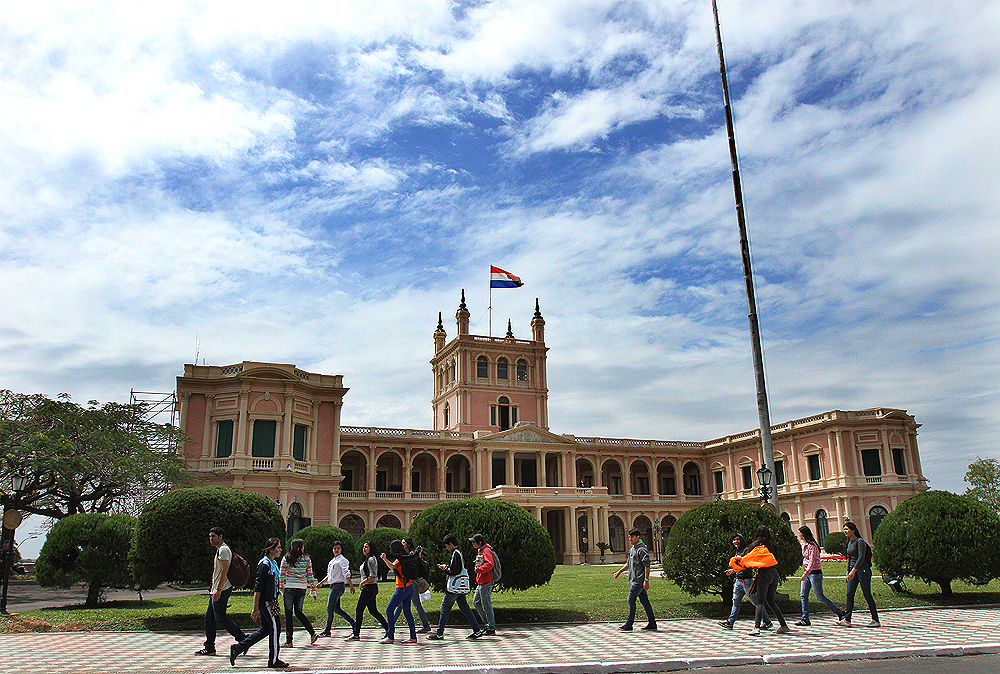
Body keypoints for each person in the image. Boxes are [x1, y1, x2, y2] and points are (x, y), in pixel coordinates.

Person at [231, 538, 287, 669]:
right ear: (271, 549)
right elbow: (258, 587)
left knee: (265, 629)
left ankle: (238, 648)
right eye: (278, 548)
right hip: (265, 601)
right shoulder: (265, 564)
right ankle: (273, 660)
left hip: (272, 600)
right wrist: (255, 607)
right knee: (275, 628)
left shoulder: (273, 563)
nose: (280, 550)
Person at [196, 527, 247, 656]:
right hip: (216, 589)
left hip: (222, 589)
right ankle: (209, 647)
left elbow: (225, 570)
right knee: (209, 618)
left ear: (221, 537)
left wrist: (218, 589)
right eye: (210, 536)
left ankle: (243, 639)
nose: (211, 539)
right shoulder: (220, 550)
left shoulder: (224, 550)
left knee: (220, 618)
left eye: (213, 536)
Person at [730, 525, 789, 636]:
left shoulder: (755, 545)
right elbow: (776, 559)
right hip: (774, 573)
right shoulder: (772, 545)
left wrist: (734, 568)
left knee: (760, 602)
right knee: (770, 601)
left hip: (764, 574)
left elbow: (747, 561)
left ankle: (756, 627)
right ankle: (783, 625)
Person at [428, 533, 482, 640]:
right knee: (465, 608)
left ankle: (439, 633)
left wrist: (445, 568)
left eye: (447, 546)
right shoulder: (460, 552)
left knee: (445, 608)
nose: (446, 548)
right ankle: (477, 630)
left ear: (451, 544)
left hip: (454, 587)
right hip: (460, 586)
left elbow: (454, 570)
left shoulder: (456, 553)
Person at [718, 533, 771, 630]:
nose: (735, 542)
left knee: (756, 602)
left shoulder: (746, 551)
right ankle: (730, 622)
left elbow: (745, 564)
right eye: (734, 540)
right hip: (739, 581)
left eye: (737, 539)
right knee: (735, 601)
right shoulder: (738, 552)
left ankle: (767, 621)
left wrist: (733, 570)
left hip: (747, 581)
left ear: (741, 540)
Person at [797, 525, 846, 626]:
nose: (799, 535)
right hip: (807, 572)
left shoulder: (813, 545)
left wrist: (806, 573)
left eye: (800, 533)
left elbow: (812, 561)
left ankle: (840, 613)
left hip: (815, 574)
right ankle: (805, 618)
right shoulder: (805, 545)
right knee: (803, 595)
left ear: (804, 534)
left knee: (819, 596)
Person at [613, 528, 656, 631]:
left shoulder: (642, 549)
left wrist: (646, 580)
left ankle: (629, 623)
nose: (630, 539)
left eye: (632, 537)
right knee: (645, 601)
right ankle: (652, 622)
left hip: (639, 581)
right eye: (629, 537)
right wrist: (619, 572)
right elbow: (628, 563)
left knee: (631, 600)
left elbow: (647, 565)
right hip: (635, 579)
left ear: (638, 537)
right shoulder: (633, 549)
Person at [839, 521, 880, 628]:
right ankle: (847, 619)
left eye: (847, 529)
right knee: (849, 594)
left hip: (863, 570)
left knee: (867, 594)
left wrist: (853, 571)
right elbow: (850, 558)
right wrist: (848, 572)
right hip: (853, 571)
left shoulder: (860, 541)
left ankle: (875, 619)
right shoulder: (849, 542)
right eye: (844, 529)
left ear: (853, 530)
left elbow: (861, 557)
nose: (845, 531)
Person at [278, 538, 318, 647]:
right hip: (301, 588)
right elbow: (310, 575)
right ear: (300, 548)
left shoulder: (286, 558)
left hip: (290, 587)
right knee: (299, 612)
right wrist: (313, 588)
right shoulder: (306, 558)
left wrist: (281, 588)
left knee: (288, 614)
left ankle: (289, 640)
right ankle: (312, 633)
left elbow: (282, 574)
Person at [346, 541, 388, 640]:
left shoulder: (370, 560)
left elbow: (373, 576)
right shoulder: (369, 559)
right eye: (363, 547)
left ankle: (356, 633)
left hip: (369, 588)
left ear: (371, 548)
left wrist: (362, 583)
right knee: (373, 610)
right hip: (370, 588)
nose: (364, 549)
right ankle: (388, 628)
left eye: (366, 547)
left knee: (359, 609)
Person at [380, 539, 417, 643]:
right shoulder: (406, 557)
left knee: (389, 610)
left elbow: (392, 567)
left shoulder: (399, 559)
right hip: (409, 587)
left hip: (402, 588)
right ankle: (413, 636)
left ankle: (390, 637)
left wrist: (385, 559)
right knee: (407, 612)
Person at [317, 541, 356, 636]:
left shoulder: (342, 560)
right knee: (336, 609)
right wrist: (321, 583)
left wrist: (351, 585)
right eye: (334, 548)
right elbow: (329, 575)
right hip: (333, 586)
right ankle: (353, 622)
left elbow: (346, 573)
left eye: (338, 548)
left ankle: (327, 630)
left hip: (338, 586)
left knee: (329, 608)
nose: (336, 550)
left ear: (341, 549)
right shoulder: (332, 561)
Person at [401, 537, 432, 633]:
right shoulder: (407, 554)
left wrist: (418, 554)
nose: (402, 544)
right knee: (400, 603)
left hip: (412, 582)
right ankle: (390, 624)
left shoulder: (411, 554)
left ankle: (426, 625)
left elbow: (414, 566)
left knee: (416, 604)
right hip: (408, 582)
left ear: (408, 544)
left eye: (403, 543)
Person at [469, 533, 497, 635]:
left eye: (474, 542)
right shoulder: (480, 550)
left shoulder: (486, 550)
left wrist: (479, 569)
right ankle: (486, 623)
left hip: (486, 581)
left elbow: (489, 564)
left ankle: (491, 627)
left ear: (480, 542)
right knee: (476, 602)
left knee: (486, 604)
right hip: (481, 581)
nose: (473, 544)